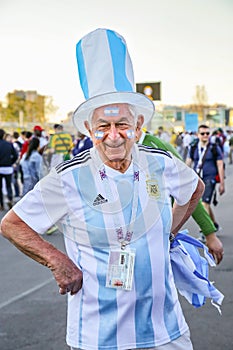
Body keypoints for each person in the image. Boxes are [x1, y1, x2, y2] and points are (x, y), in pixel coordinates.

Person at [1, 28, 208, 350]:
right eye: (103, 127)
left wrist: (167, 231)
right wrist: (58, 261)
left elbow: (195, 188)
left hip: (165, 328)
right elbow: (12, 223)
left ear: (138, 126)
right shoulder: (68, 177)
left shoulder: (161, 162)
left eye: (123, 125)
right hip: (98, 334)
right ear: (89, 129)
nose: (114, 136)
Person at [137, 129, 223, 264]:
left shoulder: (155, 146)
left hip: (156, 234)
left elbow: (190, 189)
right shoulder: (108, 150)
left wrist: (209, 233)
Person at [186, 124, 225, 232]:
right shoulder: (193, 147)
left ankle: (205, 231)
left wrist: (222, 183)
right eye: (202, 133)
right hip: (198, 179)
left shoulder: (214, 148)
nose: (205, 135)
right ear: (198, 135)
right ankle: (214, 224)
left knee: (204, 204)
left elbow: (220, 165)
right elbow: (188, 163)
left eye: (207, 133)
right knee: (205, 203)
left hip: (210, 179)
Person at [0, 129, 18, 210]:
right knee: (8, 185)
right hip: (8, 167)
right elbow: (16, 155)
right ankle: (10, 199)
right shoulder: (9, 144)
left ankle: (1, 204)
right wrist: (11, 162)